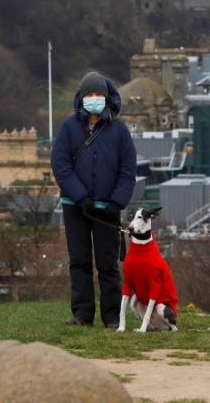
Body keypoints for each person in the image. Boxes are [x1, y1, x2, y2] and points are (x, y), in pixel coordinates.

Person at [51, 71, 137, 328]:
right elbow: (60, 165)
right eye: (89, 95)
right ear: (81, 98)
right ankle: (82, 315)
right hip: (76, 207)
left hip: (107, 209)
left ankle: (111, 317)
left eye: (99, 94)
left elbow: (128, 170)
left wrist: (117, 201)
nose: (94, 99)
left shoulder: (119, 131)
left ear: (107, 97)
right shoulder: (68, 128)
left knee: (108, 264)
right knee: (79, 261)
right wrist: (80, 196)